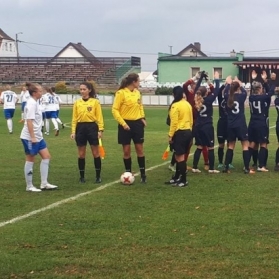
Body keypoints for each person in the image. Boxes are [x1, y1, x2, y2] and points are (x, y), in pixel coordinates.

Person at [20, 83, 58, 192]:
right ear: (34, 93)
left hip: (38, 136)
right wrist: (32, 137)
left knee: (46, 156)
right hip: (30, 137)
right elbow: (29, 121)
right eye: (40, 91)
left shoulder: (36, 102)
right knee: (30, 159)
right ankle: (29, 186)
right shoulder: (31, 103)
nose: (41, 92)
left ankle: (44, 183)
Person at [112, 73, 147, 183]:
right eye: (138, 81)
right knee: (126, 151)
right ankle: (128, 173)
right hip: (125, 125)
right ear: (133, 82)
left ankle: (143, 175)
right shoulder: (121, 93)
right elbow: (115, 110)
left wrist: (142, 117)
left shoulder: (137, 93)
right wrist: (123, 123)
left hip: (137, 125)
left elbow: (140, 106)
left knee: (139, 149)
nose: (139, 83)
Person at [71, 82, 104, 183]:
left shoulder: (95, 102)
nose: (82, 91)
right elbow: (74, 118)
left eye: (84, 89)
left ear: (89, 90)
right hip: (80, 128)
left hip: (92, 127)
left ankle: (98, 176)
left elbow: (99, 116)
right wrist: (73, 131)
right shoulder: (77, 102)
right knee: (81, 154)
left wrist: (100, 129)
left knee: (95, 153)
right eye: (80, 89)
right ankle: (82, 177)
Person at [223, 76, 253, 174]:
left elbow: (226, 91)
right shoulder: (242, 96)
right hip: (240, 124)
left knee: (231, 146)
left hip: (230, 124)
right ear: (238, 88)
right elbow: (244, 90)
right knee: (245, 145)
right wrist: (238, 81)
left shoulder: (228, 96)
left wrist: (228, 83)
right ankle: (246, 168)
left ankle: (226, 167)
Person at [192, 71, 220, 173]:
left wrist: (201, 78)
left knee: (199, 147)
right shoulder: (208, 100)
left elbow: (196, 88)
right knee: (211, 147)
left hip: (198, 126)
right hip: (207, 126)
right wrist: (216, 79)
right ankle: (211, 168)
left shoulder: (196, 99)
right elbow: (216, 90)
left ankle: (195, 167)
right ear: (206, 93)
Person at [165, 86, 193, 187]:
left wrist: (170, 135)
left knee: (180, 156)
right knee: (178, 155)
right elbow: (191, 119)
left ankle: (184, 180)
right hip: (188, 131)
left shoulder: (175, 106)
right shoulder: (187, 104)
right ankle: (177, 177)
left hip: (180, 132)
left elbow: (174, 123)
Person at [248, 70, 274, 172]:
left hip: (252, 122)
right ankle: (261, 165)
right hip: (261, 122)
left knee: (252, 144)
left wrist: (254, 80)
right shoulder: (263, 97)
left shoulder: (250, 97)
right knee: (263, 143)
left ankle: (247, 164)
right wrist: (266, 81)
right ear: (259, 89)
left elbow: (252, 90)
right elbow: (271, 91)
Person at [183, 71, 209, 170]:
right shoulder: (189, 94)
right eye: (193, 84)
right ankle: (183, 163)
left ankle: (206, 162)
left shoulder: (199, 97)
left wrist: (202, 78)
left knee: (203, 143)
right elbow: (185, 85)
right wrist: (195, 78)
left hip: (198, 123)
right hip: (190, 123)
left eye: (195, 84)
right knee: (188, 144)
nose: (194, 86)